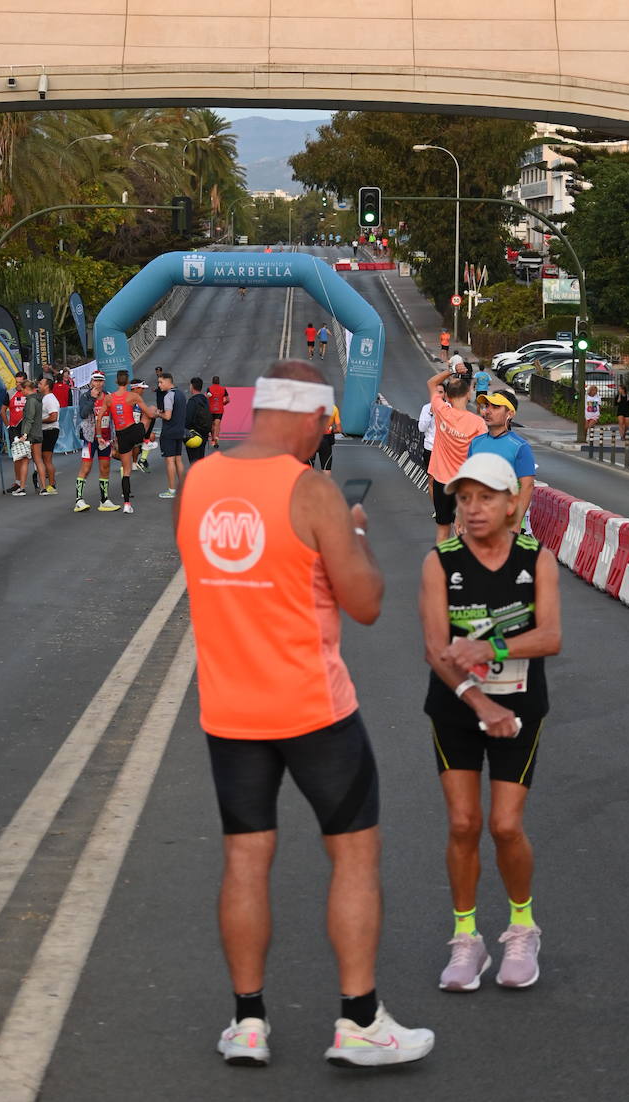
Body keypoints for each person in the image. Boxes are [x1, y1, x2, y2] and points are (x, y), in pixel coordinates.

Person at [173, 359, 434, 1069]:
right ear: (310, 415)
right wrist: (353, 534)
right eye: (325, 424)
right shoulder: (311, 490)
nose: (325, 436)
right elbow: (367, 603)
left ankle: (247, 1023)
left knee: (244, 859)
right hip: (314, 708)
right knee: (353, 853)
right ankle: (359, 1021)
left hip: (230, 711)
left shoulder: (197, 483)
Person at [419, 452, 561, 993]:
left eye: (485, 498)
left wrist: (490, 646)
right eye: (464, 499)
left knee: (504, 825)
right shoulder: (440, 562)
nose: (473, 509)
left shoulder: (536, 559)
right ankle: (466, 938)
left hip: (520, 706)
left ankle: (523, 928)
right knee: (462, 823)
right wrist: (481, 703)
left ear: (510, 505)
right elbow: (436, 649)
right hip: (457, 705)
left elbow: (550, 636)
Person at [427, 370, 486, 544]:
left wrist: (451, 370)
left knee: (442, 529)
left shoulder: (441, 410)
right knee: (462, 531)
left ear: (448, 397)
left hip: (441, 482)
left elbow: (431, 382)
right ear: (468, 395)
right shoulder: (478, 423)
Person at [469, 391, 536, 532]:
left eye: (496, 407)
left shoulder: (520, 446)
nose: (488, 411)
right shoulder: (476, 443)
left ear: (509, 414)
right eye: (487, 406)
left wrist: (516, 522)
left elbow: (527, 486)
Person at [106, 370, 160, 513]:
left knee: (126, 470)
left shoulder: (112, 398)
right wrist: (159, 414)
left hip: (123, 434)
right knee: (152, 410)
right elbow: (149, 414)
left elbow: (104, 417)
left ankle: (127, 504)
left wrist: (102, 435)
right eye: (142, 388)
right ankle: (145, 442)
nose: (143, 390)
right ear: (133, 386)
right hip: (133, 432)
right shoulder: (133, 397)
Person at [74, 372, 119, 511]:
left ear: (103, 382)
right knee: (86, 468)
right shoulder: (85, 396)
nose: (98, 384)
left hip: (105, 438)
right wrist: (93, 399)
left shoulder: (108, 396)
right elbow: (83, 414)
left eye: (100, 381)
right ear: (91, 382)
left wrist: (115, 436)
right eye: (95, 381)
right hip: (89, 437)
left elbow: (113, 416)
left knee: (105, 468)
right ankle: (79, 500)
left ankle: (104, 500)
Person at [154, 371, 187, 499]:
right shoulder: (181, 394)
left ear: (168, 381)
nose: (159, 385)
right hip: (179, 431)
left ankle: (171, 490)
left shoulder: (168, 396)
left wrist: (158, 413)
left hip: (169, 432)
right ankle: (183, 489)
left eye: (161, 382)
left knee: (170, 461)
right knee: (178, 460)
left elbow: (167, 416)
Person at [17, 380, 46, 496]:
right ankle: (43, 487)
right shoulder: (39, 400)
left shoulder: (30, 401)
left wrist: (24, 434)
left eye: (22, 390)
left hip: (30, 435)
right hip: (38, 433)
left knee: (25, 461)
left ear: (26, 389)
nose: (21, 392)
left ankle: (22, 488)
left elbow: (29, 419)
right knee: (39, 460)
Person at [3, 371, 28, 492]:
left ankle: (40, 482)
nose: (18, 385)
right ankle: (18, 483)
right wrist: (8, 425)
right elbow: (2, 410)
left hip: (27, 428)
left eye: (20, 382)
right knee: (17, 457)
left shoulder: (29, 392)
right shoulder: (10, 393)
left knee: (29, 457)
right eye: (16, 382)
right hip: (14, 428)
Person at [37, 375, 60, 494]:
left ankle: (52, 485)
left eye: (41, 384)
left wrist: (39, 421)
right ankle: (46, 481)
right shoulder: (45, 398)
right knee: (43, 459)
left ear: (47, 386)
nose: (38, 385)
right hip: (46, 430)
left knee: (47, 460)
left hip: (49, 430)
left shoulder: (49, 399)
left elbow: (53, 417)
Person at [185, 378, 213, 465]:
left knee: (194, 461)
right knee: (201, 459)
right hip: (204, 433)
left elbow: (188, 419)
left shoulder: (192, 401)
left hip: (194, 435)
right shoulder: (205, 400)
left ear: (192, 386)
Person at [313, 401, 341, 473]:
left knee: (308, 467)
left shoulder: (310, 407)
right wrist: (330, 429)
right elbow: (339, 429)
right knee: (326, 468)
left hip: (312, 439)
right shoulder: (334, 408)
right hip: (326, 440)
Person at [206, 376, 230, 450]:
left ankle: (213, 439)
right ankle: (216, 437)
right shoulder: (223, 389)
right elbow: (228, 400)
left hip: (211, 409)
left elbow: (206, 398)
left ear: (212, 381)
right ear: (219, 381)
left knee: (212, 425)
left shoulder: (209, 389)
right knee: (217, 424)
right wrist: (223, 403)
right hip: (219, 409)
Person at [417, 399, 436, 477]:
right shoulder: (427, 408)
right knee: (431, 477)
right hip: (429, 448)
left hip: (444, 450)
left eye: (441, 393)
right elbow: (421, 428)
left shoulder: (449, 407)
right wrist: (430, 413)